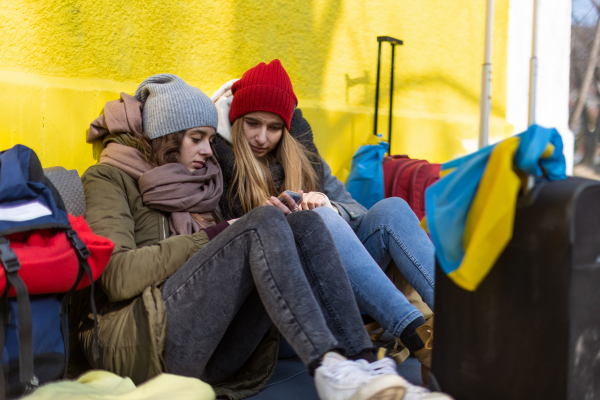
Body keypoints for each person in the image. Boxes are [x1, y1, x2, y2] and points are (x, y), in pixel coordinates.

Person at [74, 74, 445, 400]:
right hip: (145, 339)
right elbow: (118, 275)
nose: (208, 150)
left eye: (208, 137)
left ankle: (362, 364)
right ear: (167, 139)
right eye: (197, 138)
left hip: (221, 340)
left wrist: (316, 209)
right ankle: (333, 366)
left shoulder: (201, 182)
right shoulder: (108, 178)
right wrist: (226, 230)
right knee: (263, 219)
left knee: (307, 221)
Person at [212, 60, 437, 384]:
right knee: (315, 219)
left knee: (392, 208)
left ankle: (457, 327)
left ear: (286, 128)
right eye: (253, 124)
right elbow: (219, 249)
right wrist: (266, 219)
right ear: (236, 119)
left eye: (274, 127)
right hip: (284, 314)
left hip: (342, 288)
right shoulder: (219, 163)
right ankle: (420, 339)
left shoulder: (304, 159)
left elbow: (356, 210)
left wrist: (328, 204)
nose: (262, 137)